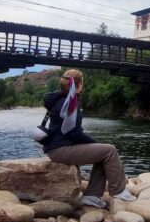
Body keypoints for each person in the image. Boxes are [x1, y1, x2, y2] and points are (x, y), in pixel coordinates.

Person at [42, 69, 135, 208]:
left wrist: (96, 146)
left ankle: (92, 195)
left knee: (103, 153)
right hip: (61, 149)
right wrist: (94, 143)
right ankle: (119, 191)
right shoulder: (69, 103)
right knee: (109, 150)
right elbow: (74, 133)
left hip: (56, 148)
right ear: (79, 85)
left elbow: (69, 132)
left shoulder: (60, 99)